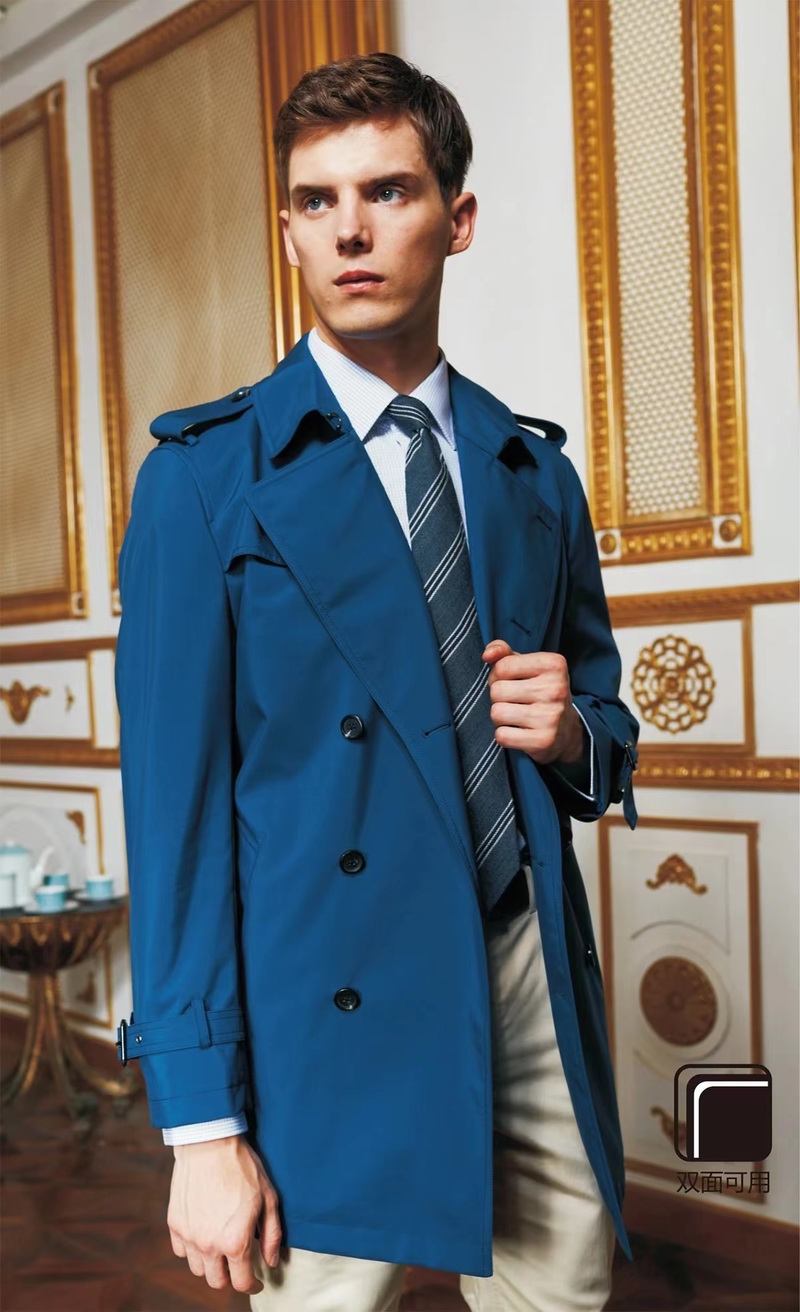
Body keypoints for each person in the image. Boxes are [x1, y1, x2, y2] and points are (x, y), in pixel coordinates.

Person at [114, 51, 639, 1312]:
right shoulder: (204, 476)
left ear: (455, 219)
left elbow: (605, 722)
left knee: (563, 1298)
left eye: (388, 191)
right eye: (317, 199)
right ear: (290, 227)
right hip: (323, 998)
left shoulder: (531, 473)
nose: (349, 229)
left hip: (522, 975)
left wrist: (571, 733)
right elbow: (174, 824)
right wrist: (199, 1127)